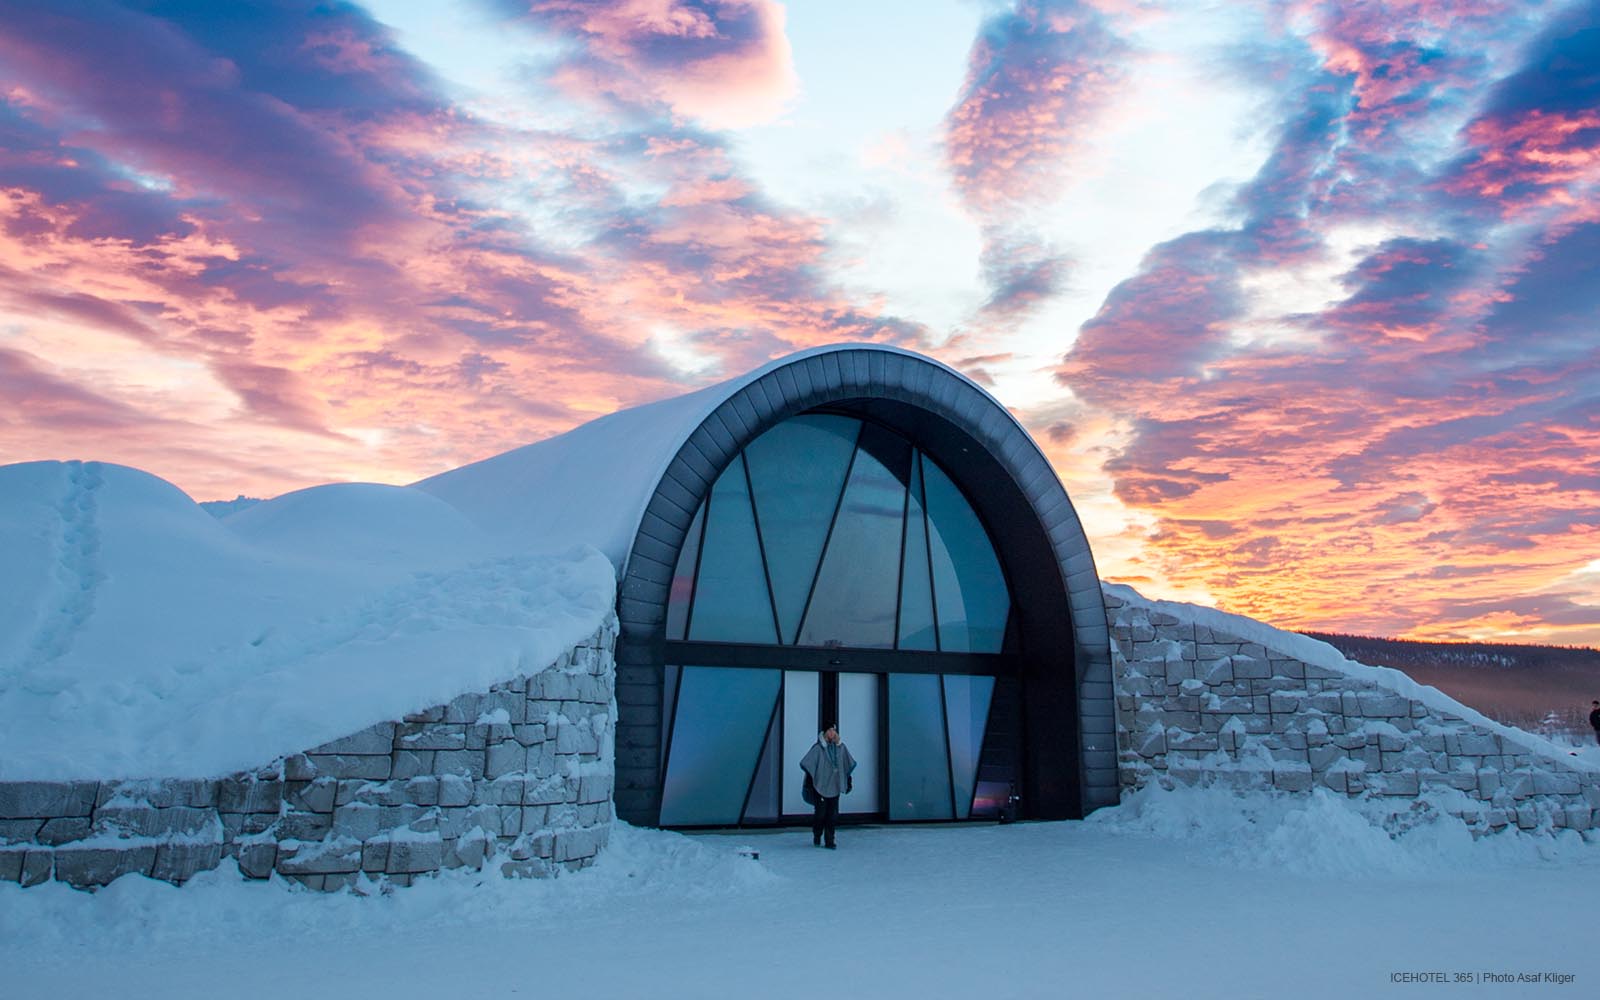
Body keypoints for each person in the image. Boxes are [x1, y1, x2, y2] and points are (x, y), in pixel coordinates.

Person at [799, 724, 856, 849]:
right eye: (830, 730)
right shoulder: (818, 748)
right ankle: (817, 834)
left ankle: (830, 840)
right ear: (824, 732)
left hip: (835, 785)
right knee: (820, 814)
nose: (832, 733)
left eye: (834, 730)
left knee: (832, 815)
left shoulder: (840, 748)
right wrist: (810, 782)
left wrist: (848, 781)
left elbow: (846, 764)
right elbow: (808, 763)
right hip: (820, 786)